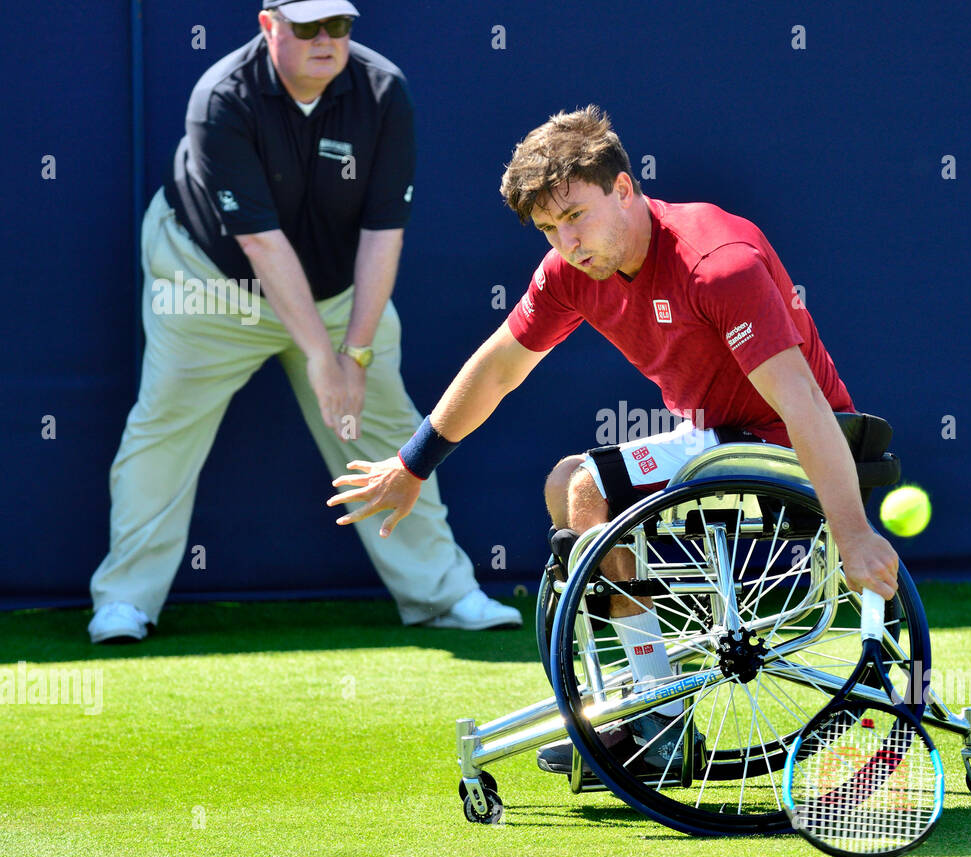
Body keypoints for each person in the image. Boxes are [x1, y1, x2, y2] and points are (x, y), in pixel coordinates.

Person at [327, 105, 899, 770]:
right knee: (563, 483)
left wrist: (853, 530)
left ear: (624, 189)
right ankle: (646, 697)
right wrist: (414, 463)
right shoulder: (571, 274)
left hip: (782, 446)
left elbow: (802, 403)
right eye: (548, 228)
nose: (567, 242)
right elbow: (498, 369)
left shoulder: (717, 263)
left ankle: (652, 715)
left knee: (589, 483)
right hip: (713, 440)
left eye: (575, 216)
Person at [88, 0, 520, 644]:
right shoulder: (221, 98)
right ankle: (124, 601)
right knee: (165, 427)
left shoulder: (382, 90)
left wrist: (358, 354)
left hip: (339, 290)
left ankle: (442, 593)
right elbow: (261, 242)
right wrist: (325, 360)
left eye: (338, 26)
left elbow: (383, 234)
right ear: (270, 28)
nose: (325, 40)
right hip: (207, 285)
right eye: (307, 27)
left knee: (391, 433)